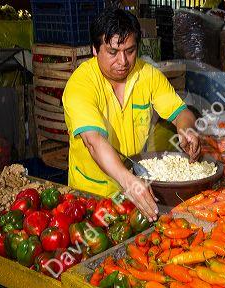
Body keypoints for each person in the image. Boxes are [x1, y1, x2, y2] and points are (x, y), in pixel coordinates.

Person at [62, 7, 200, 222]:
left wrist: (186, 129)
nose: (123, 61)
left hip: (135, 189)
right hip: (91, 197)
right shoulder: (80, 85)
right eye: (112, 52)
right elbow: (93, 141)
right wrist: (129, 182)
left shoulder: (148, 75)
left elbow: (180, 111)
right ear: (95, 50)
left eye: (130, 50)